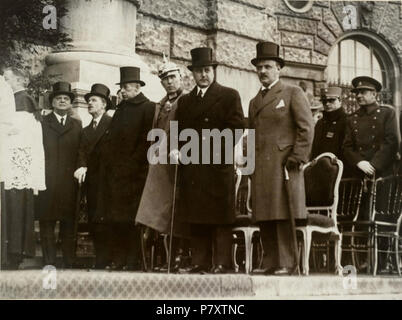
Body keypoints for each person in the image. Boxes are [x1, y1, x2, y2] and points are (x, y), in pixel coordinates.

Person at [173, 47, 245, 274]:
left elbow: (237, 128)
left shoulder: (228, 95)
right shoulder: (185, 102)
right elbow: (178, 131)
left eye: (207, 70)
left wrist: (211, 148)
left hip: (217, 164)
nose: (203, 75)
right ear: (192, 74)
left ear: (214, 70)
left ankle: (222, 262)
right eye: (198, 71)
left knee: (220, 216)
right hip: (193, 167)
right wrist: (178, 150)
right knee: (196, 214)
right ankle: (199, 261)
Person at [249, 41, 314, 275]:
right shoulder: (254, 101)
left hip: (284, 164)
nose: (262, 71)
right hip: (261, 165)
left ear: (278, 68)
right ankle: (269, 261)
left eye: (267, 66)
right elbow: (252, 134)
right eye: (259, 67)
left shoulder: (291, 93)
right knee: (265, 214)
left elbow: (306, 127)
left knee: (282, 213)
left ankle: (287, 262)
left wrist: (298, 156)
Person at [95, 67, 155, 270]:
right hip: (115, 174)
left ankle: (132, 260)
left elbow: (146, 141)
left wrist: (132, 166)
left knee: (131, 220)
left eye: (126, 87)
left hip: (135, 174)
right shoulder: (121, 108)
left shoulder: (148, 107)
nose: (122, 91)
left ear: (137, 87)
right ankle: (119, 258)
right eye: (121, 87)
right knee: (115, 218)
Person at [136, 56, 190, 272]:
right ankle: (161, 257)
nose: (169, 81)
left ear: (181, 77)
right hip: (159, 164)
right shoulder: (159, 105)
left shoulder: (187, 101)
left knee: (177, 208)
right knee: (158, 210)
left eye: (173, 77)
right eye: (165, 79)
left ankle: (179, 255)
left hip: (179, 161)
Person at [0, 68, 46, 269]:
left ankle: (12, 253)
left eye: (8, 78)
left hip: (14, 168)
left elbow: (15, 134)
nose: (4, 81)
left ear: (18, 80)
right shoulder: (17, 100)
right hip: (16, 168)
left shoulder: (20, 101)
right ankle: (13, 253)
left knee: (13, 210)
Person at [36, 81, 82, 268]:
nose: (62, 101)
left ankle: (69, 261)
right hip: (46, 180)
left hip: (68, 182)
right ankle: (49, 261)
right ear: (52, 102)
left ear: (70, 103)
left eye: (66, 98)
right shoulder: (42, 124)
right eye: (58, 98)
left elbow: (81, 151)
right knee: (47, 221)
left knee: (68, 222)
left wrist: (81, 167)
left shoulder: (76, 125)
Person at [74, 83, 113, 269]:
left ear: (104, 104)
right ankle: (100, 258)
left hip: (108, 181)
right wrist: (81, 166)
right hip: (92, 182)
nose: (89, 103)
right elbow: (81, 152)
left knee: (107, 220)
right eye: (88, 101)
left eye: (94, 100)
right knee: (94, 219)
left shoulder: (112, 125)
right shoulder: (86, 130)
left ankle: (109, 259)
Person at [343, 76, 399, 179]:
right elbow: (347, 146)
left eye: (363, 92)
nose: (358, 96)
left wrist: (374, 165)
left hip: (382, 173)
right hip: (359, 171)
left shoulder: (387, 113)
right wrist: (358, 162)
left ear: (374, 94)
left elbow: (392, 141)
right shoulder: (351, 118)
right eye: (357, 93)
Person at [311, 87, 347, 160]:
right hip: (319, 165)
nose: (327, 104)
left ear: (340, 100)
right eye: (324, 101)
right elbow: (314, 147)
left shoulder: (346, 121)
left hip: (339, 166)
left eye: (331, 100)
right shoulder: (320, 122)